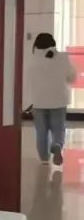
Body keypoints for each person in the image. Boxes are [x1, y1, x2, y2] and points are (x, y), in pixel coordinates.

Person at [29, 32, 77, 166]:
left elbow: (29, 80)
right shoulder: (63, 58)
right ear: (53, 44)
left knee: (41, 132)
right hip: (59, 99)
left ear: (36, 45)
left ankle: (44, 159)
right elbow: (72, 77)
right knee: (58, 128)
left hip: (39, 100)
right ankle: (57, 145)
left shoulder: (33, 59)